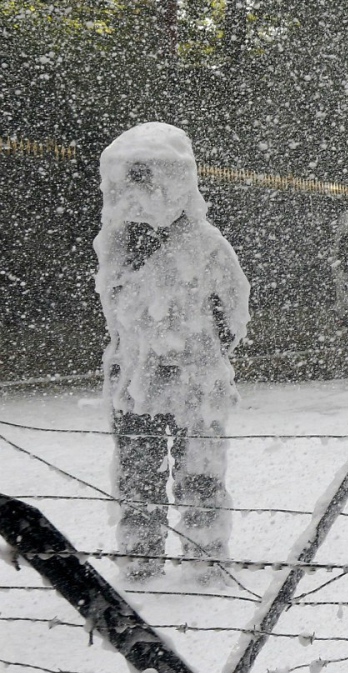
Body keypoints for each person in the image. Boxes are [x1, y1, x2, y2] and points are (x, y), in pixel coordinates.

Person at [96, 123, 250, 582]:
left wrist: (194, 352)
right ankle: (145, 560)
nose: (137, 196)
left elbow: (233, 312)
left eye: (146, 180)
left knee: (197, 475)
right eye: (131, 181)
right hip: (136, 384)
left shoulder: (206, 246)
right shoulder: (116, 246)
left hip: (190, 384)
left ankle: (202, 561)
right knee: (139, 478)